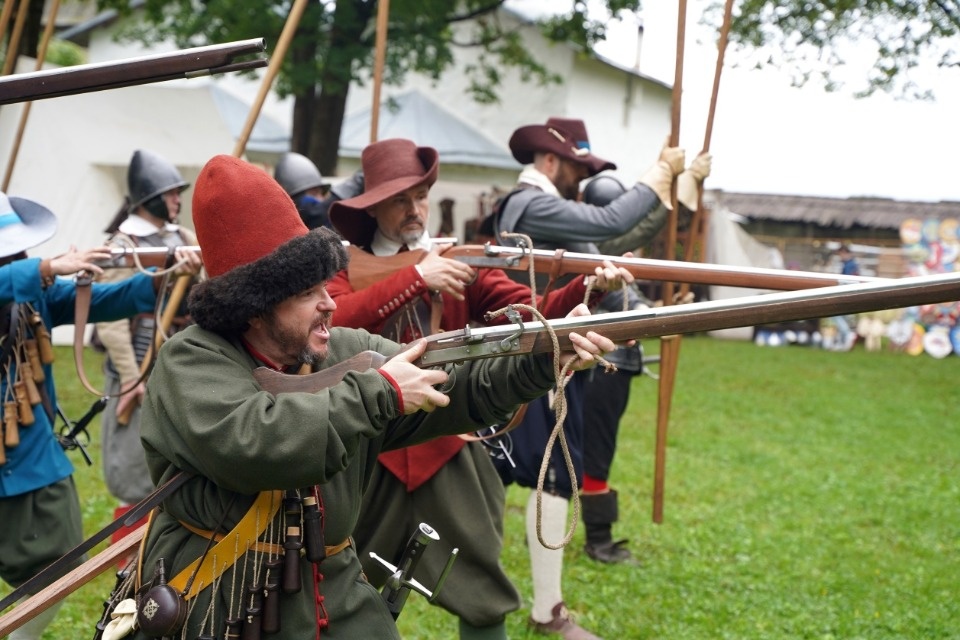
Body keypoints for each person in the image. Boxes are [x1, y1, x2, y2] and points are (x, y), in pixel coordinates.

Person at [126, 154, 616, 640]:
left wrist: (542, 356)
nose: (329, 303)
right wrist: (380, 392)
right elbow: (257, 443)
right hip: (224, 601)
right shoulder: (188, 362)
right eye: (307, 293)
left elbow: (460, 381)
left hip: (334, 591)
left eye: (325, 284)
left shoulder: (344, 349)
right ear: (254, 308)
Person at [326, 138, 633, 640]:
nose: (415, 208)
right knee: (336, 592)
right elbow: (335, 321)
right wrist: (415, 277)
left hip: (446, 441)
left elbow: (526, 310)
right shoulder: (344, 265)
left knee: (485, 595)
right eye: (402, 198)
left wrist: (586, 290)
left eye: (421, 195)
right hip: (363, 449)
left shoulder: (456, 258)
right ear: (374, 204)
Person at [488, 116, 709, 638]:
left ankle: (543, 607)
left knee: (552, 477)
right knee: (521, 476)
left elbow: (621, 236)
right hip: (527, 356)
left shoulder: (545, 208)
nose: (579, 177)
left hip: (556, 352)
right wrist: (657, 176)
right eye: (574, 166)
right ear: (549, 162)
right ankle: (518, 602)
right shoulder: (529, 202)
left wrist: (678, 190)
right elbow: (609, 225)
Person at [0, 190, 178, 640]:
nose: (19, 256)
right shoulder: (25, 278)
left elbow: (104, 299)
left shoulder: (26, 293)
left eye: (19, 250)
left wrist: (161, 280)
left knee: (60, 567)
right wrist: (41, 268)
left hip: (27, 458)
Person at [96, 149, 204, 545]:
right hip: (138, 369)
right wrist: (130, 377)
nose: (178, 200)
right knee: (132, 470)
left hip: (176, 366)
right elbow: (108, 319)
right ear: (150, 196)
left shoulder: (183, 238)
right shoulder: (125, 244)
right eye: (171, 193)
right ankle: (128, 563)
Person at [274, 151, 365, 230]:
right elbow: (317, 212)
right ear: (294, 201)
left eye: (321, 193)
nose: (321, 198)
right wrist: (360, 178)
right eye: (314, 193)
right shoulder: (308, 215)